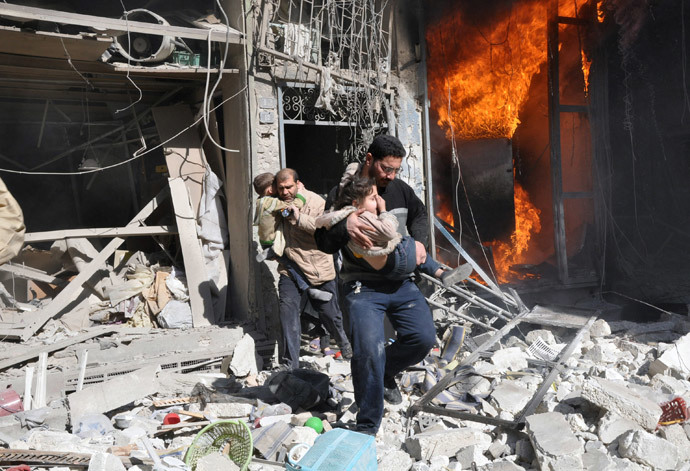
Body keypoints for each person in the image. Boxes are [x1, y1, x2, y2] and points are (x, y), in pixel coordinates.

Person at [314, 134, 440, 435]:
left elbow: (420, 214)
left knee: (422, 339)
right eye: (386, 168)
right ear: (369, 160)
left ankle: (383, 373)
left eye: (396, 169)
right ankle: (368, 425)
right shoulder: (345, 192)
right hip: (362, 287)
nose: (391, 176)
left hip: (401, 283)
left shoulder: (399, 189)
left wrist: (421, 243)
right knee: (369, 350)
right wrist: (346, 225)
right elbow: (322, 240)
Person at [315, 175, 473, 285]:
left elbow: (323, 219)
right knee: (410, 243)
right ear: (357, 203)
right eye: (373, 198)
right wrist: (384, 212)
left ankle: (441, 273)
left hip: (384, 265)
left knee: (413, 247)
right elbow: (389, 231)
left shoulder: (346, 216)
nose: (379, 201)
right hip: (394, 260)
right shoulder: (364, 218)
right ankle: (440, 273)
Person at [273, 168, 352, 366]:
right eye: (281, 188)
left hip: (317, 268)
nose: (285, 192)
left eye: (289, 187)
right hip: (290, 269)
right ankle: (290, 364)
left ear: (299, 184)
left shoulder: (316, 202)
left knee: (330, 315)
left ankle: (345, 346)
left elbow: (321, 229)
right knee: (287, 312)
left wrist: (298, 218)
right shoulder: (278, 202)